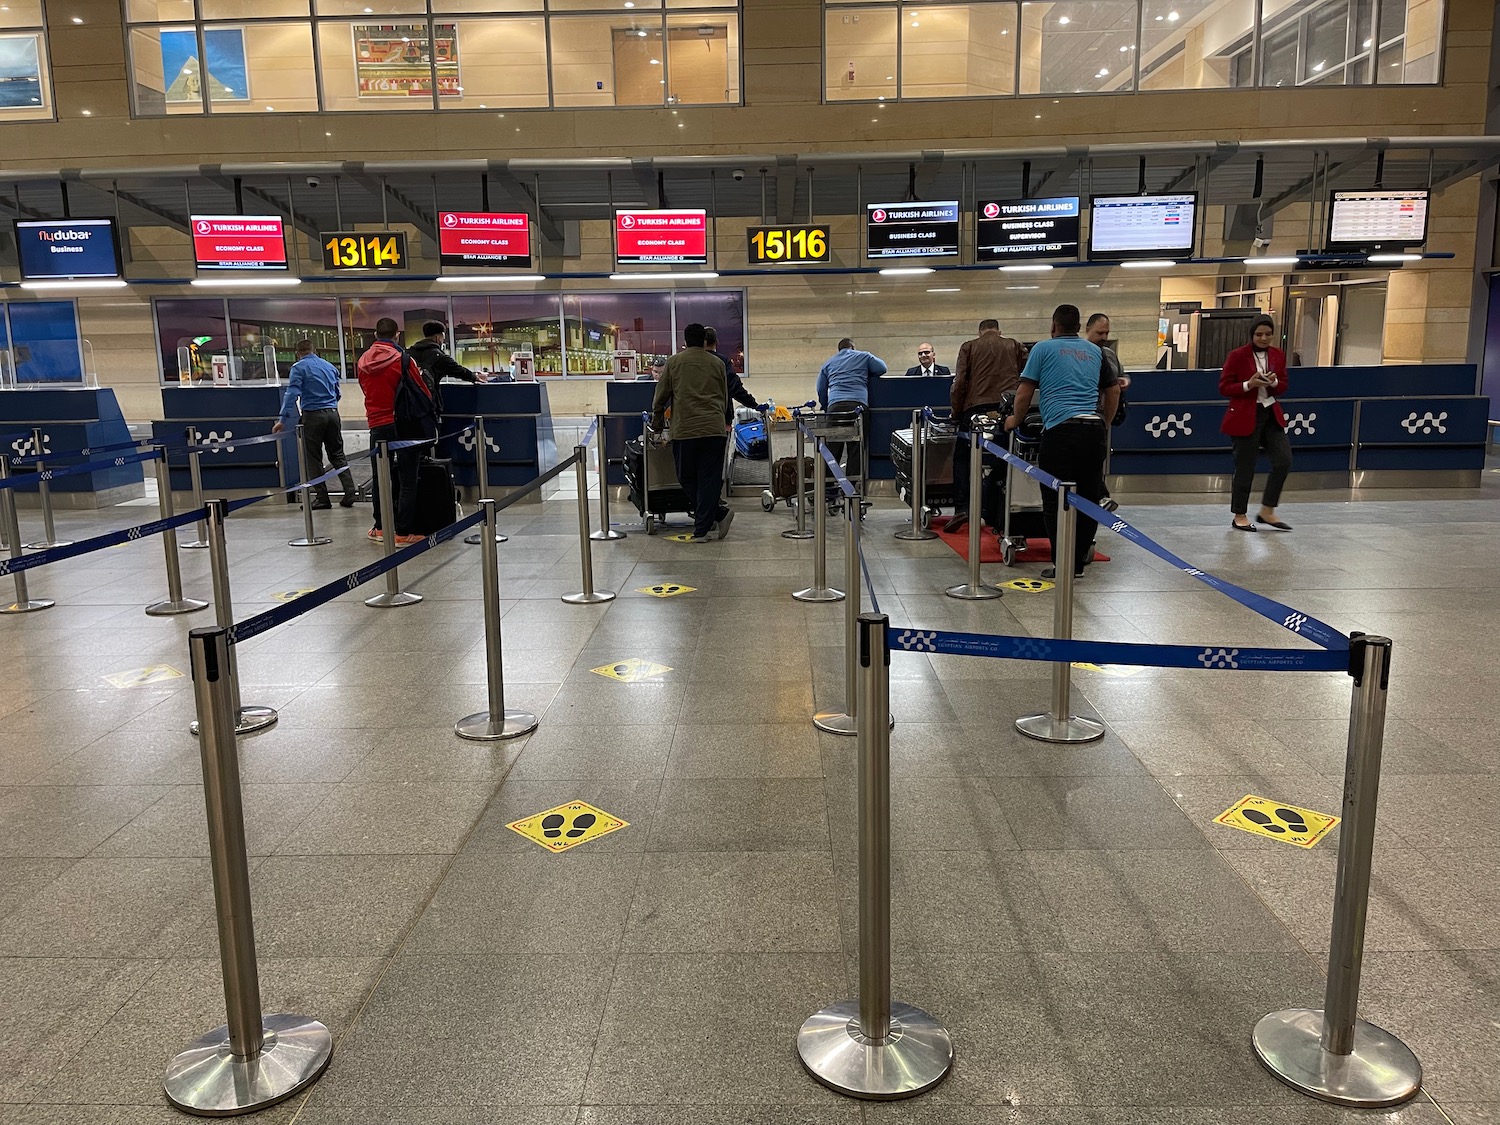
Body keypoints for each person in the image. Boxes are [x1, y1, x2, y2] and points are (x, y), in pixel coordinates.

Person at [1006, 304, 1120, 580]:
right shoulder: (1095, 351)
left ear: (1053, 326)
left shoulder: (1042, 349)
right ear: (1079, 328)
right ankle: (1078, 562)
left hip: (1060, 432)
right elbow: (1113, 389)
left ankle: (1062, 563)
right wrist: (1103, 423)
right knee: (1089, 499)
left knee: (1056, 500)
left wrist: (1013, 420)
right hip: (1092, 431)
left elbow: (1024, 392)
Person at [650, 322, 734, 542]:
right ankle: (717, 515)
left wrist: (657, 424)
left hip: (686, 430)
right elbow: (725, 397)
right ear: (705, 341)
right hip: (714, 429)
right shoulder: (717, 363)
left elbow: (660, 396)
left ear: (685, 341)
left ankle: (703, 528)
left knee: (686, 477)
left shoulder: (674, 362)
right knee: (709, 478)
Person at [356, 318, 432, 546]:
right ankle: (402, 532)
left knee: (381, 478)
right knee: (408, 478)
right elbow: (421, 390)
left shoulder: (362, 361)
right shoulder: (403, 359)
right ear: (396, 335)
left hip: (377, 424)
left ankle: (380, 527)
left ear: (375, 335)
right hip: (404, 423)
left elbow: (365, 390)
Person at [947, 318, 1026, 533]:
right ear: (998, 331)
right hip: (1006, 409)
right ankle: (995, 509)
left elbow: (959, 383)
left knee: (962, 458)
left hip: (975, 408)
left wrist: (956, 413)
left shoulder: (969, 347)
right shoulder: (1015, 345)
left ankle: (962, 508)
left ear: (980, 332)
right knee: (1006, 457)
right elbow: (1026, 379)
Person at [1220, 314, 1293, 532]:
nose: (1264, 338)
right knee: (1245, 466)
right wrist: (1248, 384)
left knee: (1283, 460)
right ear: (1251, 334)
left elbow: (1283, 386)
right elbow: (1224, 387)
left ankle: (1267, 510)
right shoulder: (1237, 356)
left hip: (1270, 413)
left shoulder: (1278, 355)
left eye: (1268, 334)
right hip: (1244, 415)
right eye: (1259, 334)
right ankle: (1239, 514)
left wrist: (1274, 381)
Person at [271, 340, 356, 510]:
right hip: (332, 413)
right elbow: (337, 393)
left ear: (297, 353)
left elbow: (292, 393)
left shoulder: (298, 368)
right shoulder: (329, 366)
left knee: (313, 457)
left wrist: (283, 419)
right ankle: (350, 492)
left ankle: (322, 498)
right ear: (314, 350)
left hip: (313, 416)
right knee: (337, 454)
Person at [815, 337, 887, 487]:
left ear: (839, 349)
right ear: (853, 347)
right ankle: (851, 487)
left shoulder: (828, 363)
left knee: (833, 447)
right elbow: (882, 368)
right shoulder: (863, 356)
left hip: (835, 408)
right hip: (858, 406)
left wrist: (826, 406)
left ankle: (827, 486)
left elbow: (821, 388)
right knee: (856, 447)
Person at [1084, 313, 1126, 513]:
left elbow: (1120, 379)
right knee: (1090, 462)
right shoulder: (1084, 353)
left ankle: (1099, 495)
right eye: (1099, 332)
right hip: (1090, 413)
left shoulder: (1108, 354)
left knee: (1095, 461)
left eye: (1107, 332)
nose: (1104, 336)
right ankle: (1100, 496)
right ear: (1087, 330)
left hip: (1100, 414)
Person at [408, 320, 487, 415]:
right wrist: (476, 377)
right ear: (438, 338)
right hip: (428, 405)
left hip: (408, 404)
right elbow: (458, 370)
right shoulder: (439, 357)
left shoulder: (408, 354)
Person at [704, 325, 759, 413]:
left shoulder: (688, 363)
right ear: (716, 342)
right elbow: (734, 387)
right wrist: (754, 405)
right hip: (720, 414)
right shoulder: (722, 362)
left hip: (692, 417)